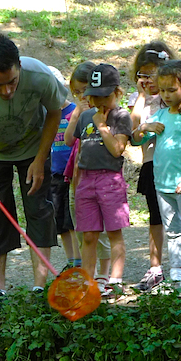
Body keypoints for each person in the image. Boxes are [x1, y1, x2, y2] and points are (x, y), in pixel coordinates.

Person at [0, 34, 69, 308]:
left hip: (33, 147)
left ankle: (39, 288)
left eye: (12, 82)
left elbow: (55, 113)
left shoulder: (40, 75)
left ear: (19, 66)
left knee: (39, 210)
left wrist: (41, 159)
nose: (7, 91)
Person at [137, 60, 181, 297]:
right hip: (162, 184)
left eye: (171, 90)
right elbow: (136, 139)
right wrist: (146, 126)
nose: (166, 95)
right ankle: (177, 275)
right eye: (163, 90)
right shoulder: (161, 115)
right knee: (173, 230)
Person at [64, 63, 132, 297]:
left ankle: (115, 280)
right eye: (95, 96)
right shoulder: (85, 116)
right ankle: (88, 282)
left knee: (114, 233)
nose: (100, 102)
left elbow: (117, 149)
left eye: (106, 96)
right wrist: (78, 115)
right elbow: (69, 142)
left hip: (110, 180)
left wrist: (102, 126)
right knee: (89, 235)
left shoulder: (121, 116)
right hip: (86, 180)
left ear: (117, 93)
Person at [128, 42, 175, 292]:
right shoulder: (138, 99)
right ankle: (155, 267)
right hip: (151, 164)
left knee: (179, 216)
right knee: (155, 218)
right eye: (142, 74)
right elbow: (133, 135)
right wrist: (142, 98)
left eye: (152, 73)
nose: (147, 79)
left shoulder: (175, 94)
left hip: (176, 164)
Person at [62, 62, 113, 281]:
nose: (83, 97)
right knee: (83, 228)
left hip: (99, 178)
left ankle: (104, 272)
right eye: (77, 92)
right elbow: (67, 140)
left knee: (99, 230)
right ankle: (87, 272)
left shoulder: (105, 115)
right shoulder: (80, 114)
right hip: (78, 179)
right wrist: (77, 114)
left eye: (86, 91)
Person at [47, 66, 81, 271]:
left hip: (74, 173)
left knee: (75, 218)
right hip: (54, 173)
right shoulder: (44, 115)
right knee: (61, 220)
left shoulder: (74, 112)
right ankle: (71, 260)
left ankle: (80, 257)